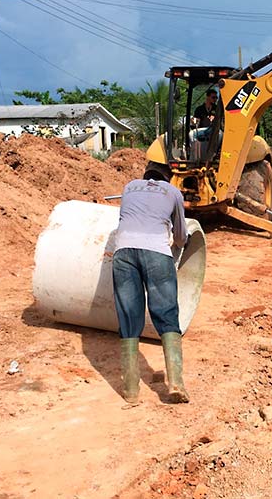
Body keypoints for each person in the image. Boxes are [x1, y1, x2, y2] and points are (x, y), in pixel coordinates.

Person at [112, 169, 189, 406]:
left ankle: (131, 391)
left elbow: (124, 219)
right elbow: (180, 234)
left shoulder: (129, 187)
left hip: (123, 252)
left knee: (129, 315)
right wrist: (180, 245)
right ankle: (176, 384)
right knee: (165, 312)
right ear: (166, 178)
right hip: (157, 253)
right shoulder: (173, 191)